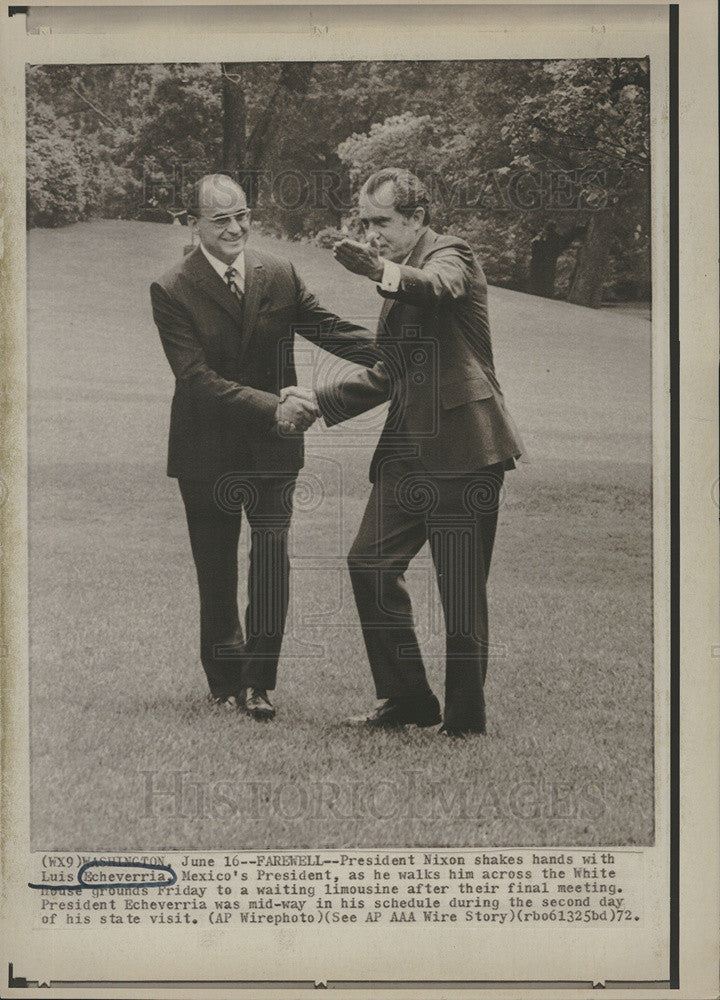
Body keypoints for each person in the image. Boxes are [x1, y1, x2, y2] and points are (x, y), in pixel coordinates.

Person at [308, 168, 524, 735]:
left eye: (381, 221)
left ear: (417, 218)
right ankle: (407, 700)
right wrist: (317, 399)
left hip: (465, 446)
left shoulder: (452, 254)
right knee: (368, 563)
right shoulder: (399, 280)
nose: (370, 231)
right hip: (407, 448)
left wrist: (380, 270)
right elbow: (389, 372)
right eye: (364, 221)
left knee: (460, 587)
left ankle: (464, 721)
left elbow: (437, 286)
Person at [150, 174, 373, 720]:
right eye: (220, 219)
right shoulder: (172, 287)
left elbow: (326, 326)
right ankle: (224, 682)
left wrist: (400, 349)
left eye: (242, 215)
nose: (235, 228)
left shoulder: (279, 271)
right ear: (193, 223)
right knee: (217, 568)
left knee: (272, 561)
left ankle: (258, 684)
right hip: (206, 452)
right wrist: (273, 406)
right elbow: (195, 378)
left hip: (274, 451)